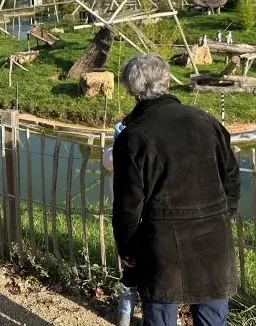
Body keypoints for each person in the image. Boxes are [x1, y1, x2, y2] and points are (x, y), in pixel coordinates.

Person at [111, 54, 240, 326]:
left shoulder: (133, 137)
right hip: (213, 242)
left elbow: (128, 205)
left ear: (132, 89)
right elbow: (231, 175)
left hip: (163, 248)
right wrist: (222, 213)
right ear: (166, 81)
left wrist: (128, 251)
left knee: (159, 317)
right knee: (213, 320)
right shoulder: (207, 121)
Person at [102, 121, 137, 326]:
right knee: (148, 272)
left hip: (127, 218)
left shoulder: (119, 140)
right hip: (145, 219)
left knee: (130, 269)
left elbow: (109, 160)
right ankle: (136, 314)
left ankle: (125, 314)